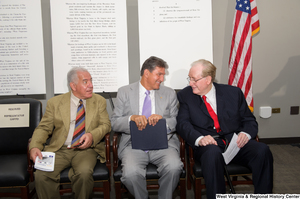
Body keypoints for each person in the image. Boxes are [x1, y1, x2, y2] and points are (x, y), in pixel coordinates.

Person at [176, 59, 273, 199]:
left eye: (194, 79)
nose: (190, 83)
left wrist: (245, 133)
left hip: (234, 142)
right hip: (208, 145)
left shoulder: (233, 93)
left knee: (262, 150)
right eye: (189, 78)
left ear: (208, 79)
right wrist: (199, 138)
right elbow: (182, 124)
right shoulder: (186, 95)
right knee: (212, 154)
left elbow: (249, 120)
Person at [29, 67, 111, 199]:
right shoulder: (55, 103)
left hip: (86, 150)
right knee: (41, 175)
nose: (91, 85)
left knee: (83, 174)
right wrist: (34, 147)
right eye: (85, 82)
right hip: (59, 150)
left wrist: (91, 135)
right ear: (73, 85)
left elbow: (106, 125)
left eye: (91, 81)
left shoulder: (99, 101)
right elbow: (43, 128)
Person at [111, 56, 183, 199]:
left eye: (163, 75)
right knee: (130, 174)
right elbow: (114, 122)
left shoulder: (169, 93)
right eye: (159, 74)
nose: (162, 79)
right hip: (133, 145)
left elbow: (177, 120)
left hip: (164, 144)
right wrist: (132, 118)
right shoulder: (125, 92)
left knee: (174, 167)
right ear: (146, 73)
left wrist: (163, 121)